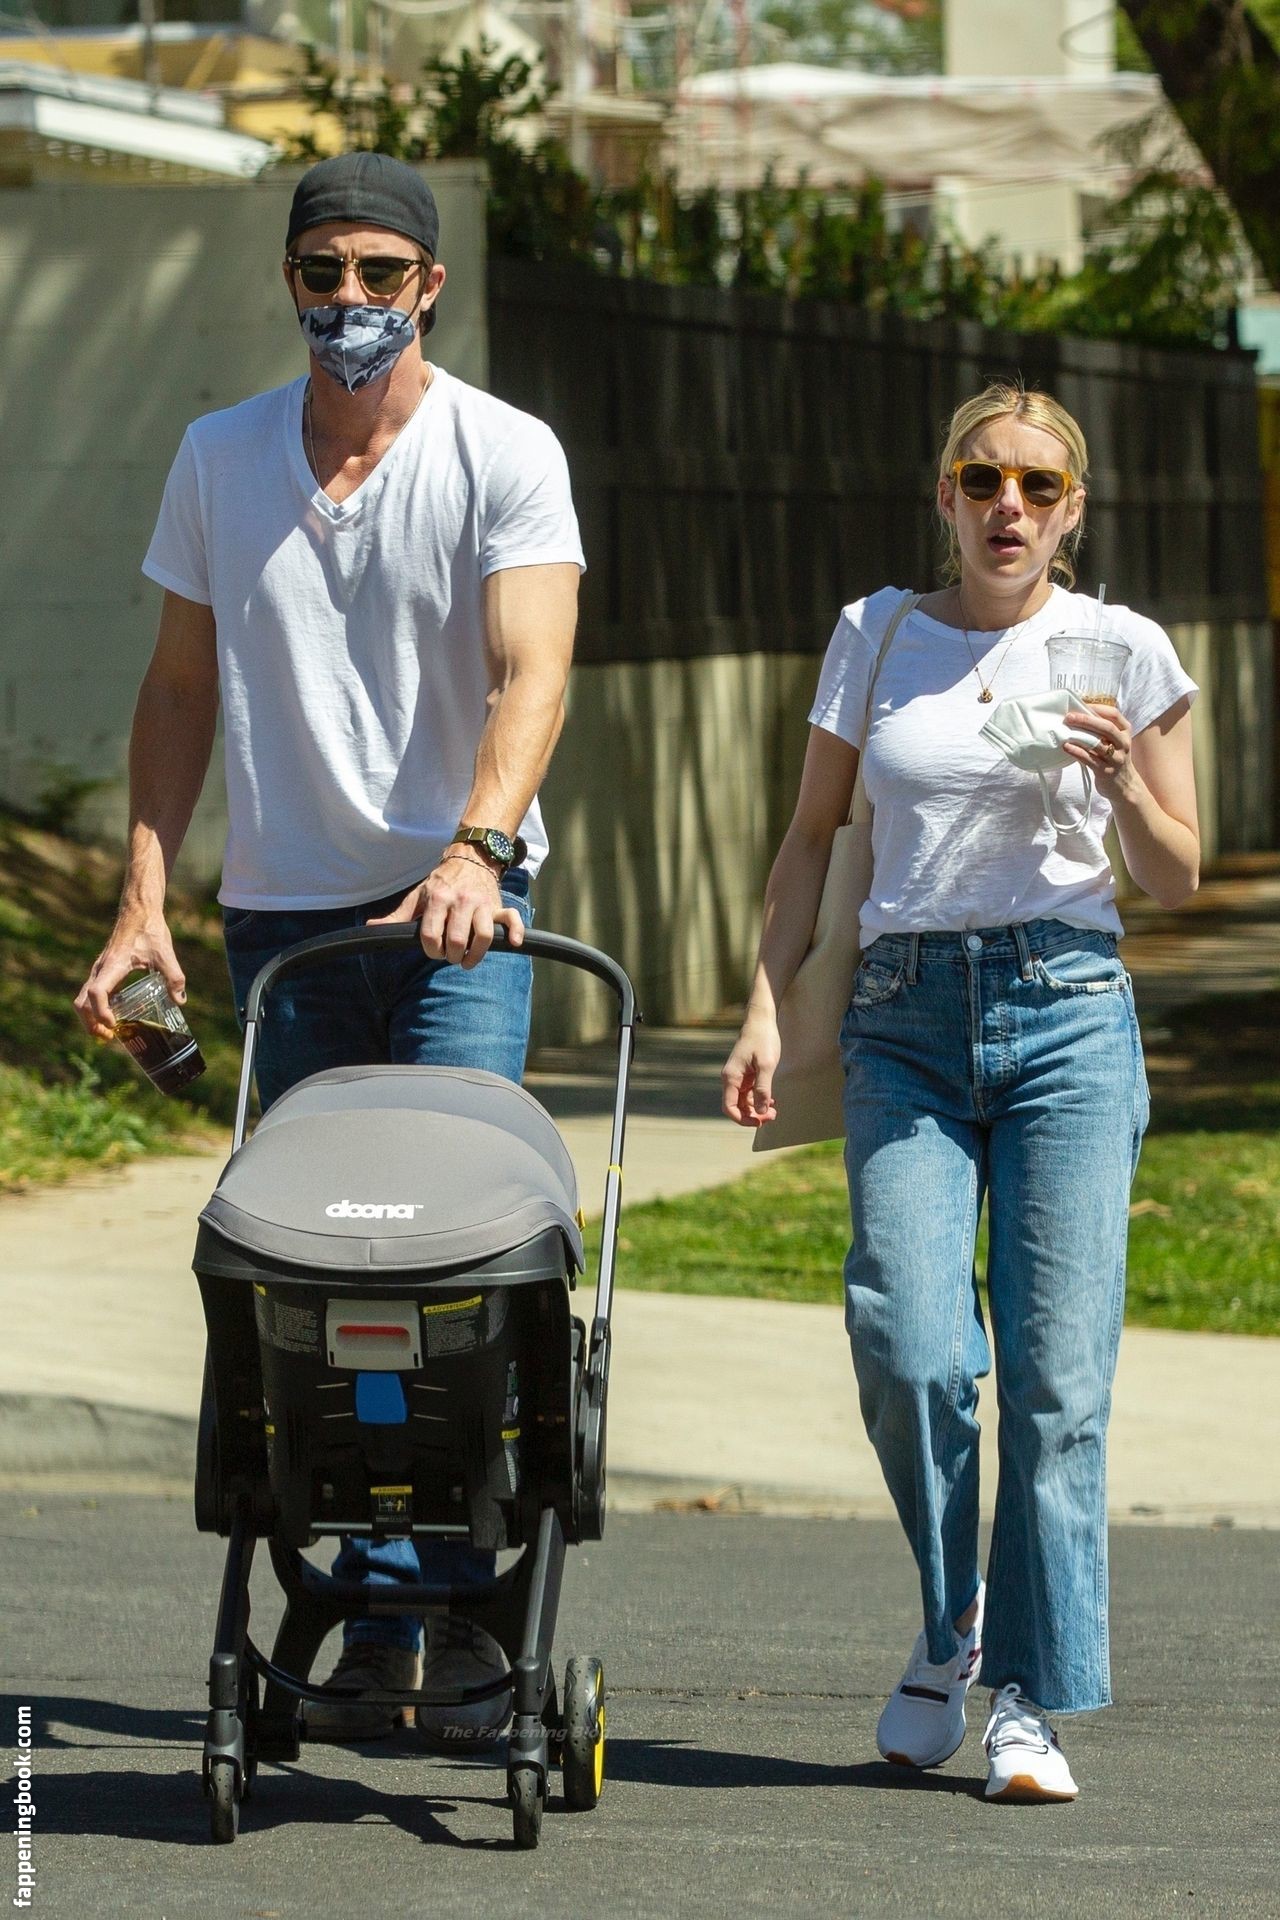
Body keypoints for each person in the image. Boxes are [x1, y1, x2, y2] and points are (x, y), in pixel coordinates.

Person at [74, 151, 584, 1744]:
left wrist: (476, 846)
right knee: (309, 1274)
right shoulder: (218, 457)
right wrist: (143, 897)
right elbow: (179, 688)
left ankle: (460, 1600)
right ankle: (365, 1597)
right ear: (288, 281)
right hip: (286, 918)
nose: (348, 300)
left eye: (378, 273)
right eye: (322, 272)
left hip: (457, 923)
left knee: (452, 1268)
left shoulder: (503, 449)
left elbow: (533, 668)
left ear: (429, 285)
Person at [722, 383, 1199, 1802]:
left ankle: (1029, 1702)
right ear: (945, 494)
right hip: (905, 1019)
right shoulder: (877, 635)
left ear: (1073, 511)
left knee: (1057, 1385)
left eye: (1038, 487)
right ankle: (953, 1623)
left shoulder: (1124, 647)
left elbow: (1178, 874)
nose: (1009, 506)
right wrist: (764, 1005)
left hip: (1068, 1014)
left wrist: (1124, 787)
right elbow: (811, 838)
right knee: (910, 1341)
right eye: (983, 479)